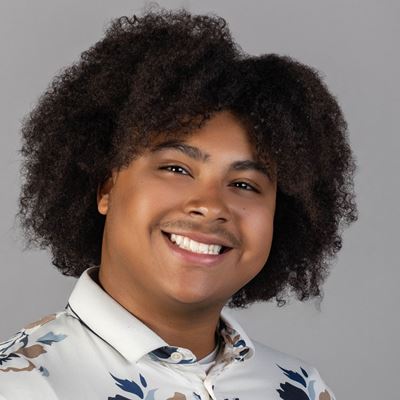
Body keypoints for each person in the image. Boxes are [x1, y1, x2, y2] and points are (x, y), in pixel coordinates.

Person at [0, 6, 357, 400]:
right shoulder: (21, 385)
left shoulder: (301, 387)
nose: (211, 205)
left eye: (243, 183)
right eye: (176, 168)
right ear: (106, 187)